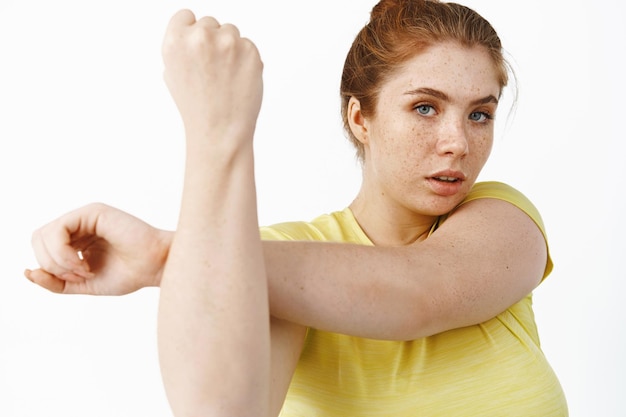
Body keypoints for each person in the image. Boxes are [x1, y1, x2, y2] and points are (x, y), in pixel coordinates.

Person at [24, 0, 568, 416]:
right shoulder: (281, 256)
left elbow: (416, 294)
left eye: (480, 114)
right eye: (425, 107)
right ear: (360, 118)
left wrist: (165, 256)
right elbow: (219, 409)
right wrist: (218, 128)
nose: (457, 142)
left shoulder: (503, 218)